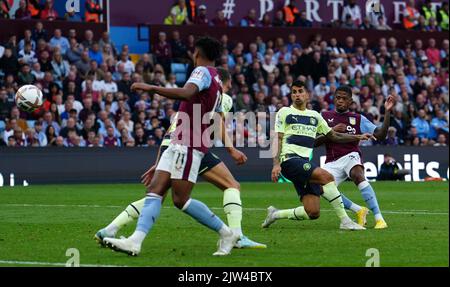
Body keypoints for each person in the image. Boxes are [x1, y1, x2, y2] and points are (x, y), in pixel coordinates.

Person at [95, 67, 266, 250]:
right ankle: (236, 235)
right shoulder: (220, 96)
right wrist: (231, 149)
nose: (231, 86)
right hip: (192, 146)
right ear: (225, 81)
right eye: (230, 82)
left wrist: (158, 162)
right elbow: (218, 122)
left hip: (172, 144)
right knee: (230, 186)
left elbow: (170, 133)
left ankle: (110, 229)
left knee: (156, 195)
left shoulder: (193, 97)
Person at [102, 37, 240, 256]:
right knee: (154, 191)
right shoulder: (218, 82)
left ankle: (227, 233)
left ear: (197, 53)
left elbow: (186, 93)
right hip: (180, 141)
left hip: (188, 143)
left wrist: (150, 87)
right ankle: (135, 241)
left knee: (180, 200)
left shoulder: (201, 72)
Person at [262, 81, 372, 231]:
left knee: (312, 212)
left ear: (307, 95)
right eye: (294, 92)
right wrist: (276, 164)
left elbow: (334, 136)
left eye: (300, 91)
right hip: (290, 160)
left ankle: (275, 214)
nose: (297, 95)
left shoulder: (315, 116)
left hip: (304, 163)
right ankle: (345, 221)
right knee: (327, 177)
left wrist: (358, 137)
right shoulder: (284, 112)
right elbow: (278, 138)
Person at [315, 86, 395, 229]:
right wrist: (331, 131)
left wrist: (387, 112)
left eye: (344, 98)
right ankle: (359, 210)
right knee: (321, 188)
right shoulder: (324, 117)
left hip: (351, 155)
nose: (340, 101)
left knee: (357, 174)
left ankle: (379, 219)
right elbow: (314, 142)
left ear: (350, 101)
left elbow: (381, 135)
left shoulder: (358, 119)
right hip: (332, 161)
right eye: (337, 98)